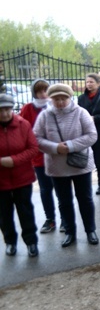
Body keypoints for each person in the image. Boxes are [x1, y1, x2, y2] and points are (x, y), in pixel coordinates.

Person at [33, 84, 99, 248]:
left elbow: (92, 136)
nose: (61, 102)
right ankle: (70, 232)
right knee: (64, 201)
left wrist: (69, 145)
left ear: (70, 98)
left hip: (80, 163)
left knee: (85, 198)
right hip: (56, 164)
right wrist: (55, 148)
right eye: (56, 99)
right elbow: (36, 138)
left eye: (64, 98)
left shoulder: (81, 112)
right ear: (51, 99)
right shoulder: (45, 115)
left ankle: (90, 230)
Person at [0, 94, 40, 257]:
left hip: (22, 177)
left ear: (12, 109)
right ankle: (10, 242)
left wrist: (14, 160)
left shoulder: (23, 125)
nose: (4, 113)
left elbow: (33, 148)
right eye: (1, 110)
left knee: (25, 211)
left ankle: (31, 242)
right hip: (1, 180)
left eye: (7, 109)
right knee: (3, 213)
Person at [19, 79, 59, 233]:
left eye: (45, 90)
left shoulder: (55, 106)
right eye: (39, 91)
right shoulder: (28, 108)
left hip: (56, 154)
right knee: (45, 189)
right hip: (38, 157)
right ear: (34, 93)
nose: (43, 94)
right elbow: (24, 131)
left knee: (60, 189)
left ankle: (65, 219)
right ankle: (50, 219)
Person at [77, 73, 100, 195]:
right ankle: (85, 184)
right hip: (85, 132)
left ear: (98, 84)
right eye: (87, 82)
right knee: (85, 157)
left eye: (91, 82)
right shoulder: (81, 98)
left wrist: (95, 118)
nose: (88, 84)